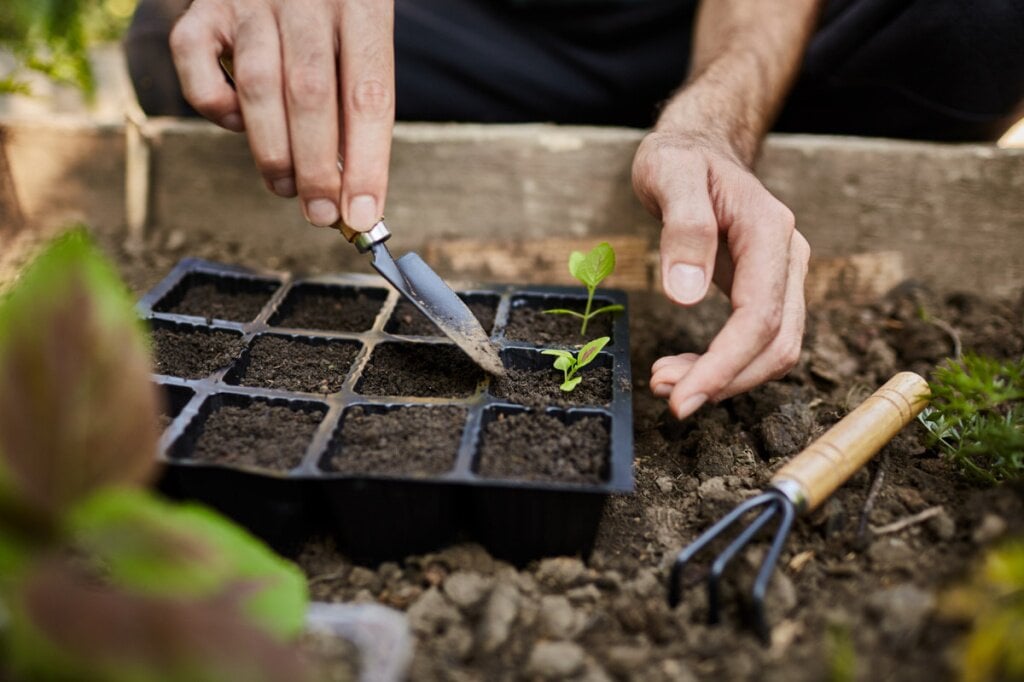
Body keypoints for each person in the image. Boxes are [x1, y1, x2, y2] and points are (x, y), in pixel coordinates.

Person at [131, 0, 1024, 419]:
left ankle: (676, 123)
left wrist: (712, 127)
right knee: (178, 41)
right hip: (489, 31)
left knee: (982, 28)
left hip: (702, 30)